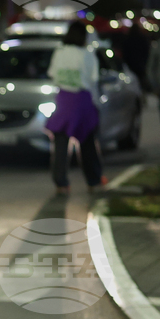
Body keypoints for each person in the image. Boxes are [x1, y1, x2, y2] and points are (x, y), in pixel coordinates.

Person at [45, 21, 106, 195]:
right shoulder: (88, 55)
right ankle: (93, 181)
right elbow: (93, 80)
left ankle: (61, 183)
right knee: (87, 144)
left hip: (63, 99)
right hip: (82, 100)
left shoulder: (59, 52)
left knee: (60, 144)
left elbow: (52, 75)